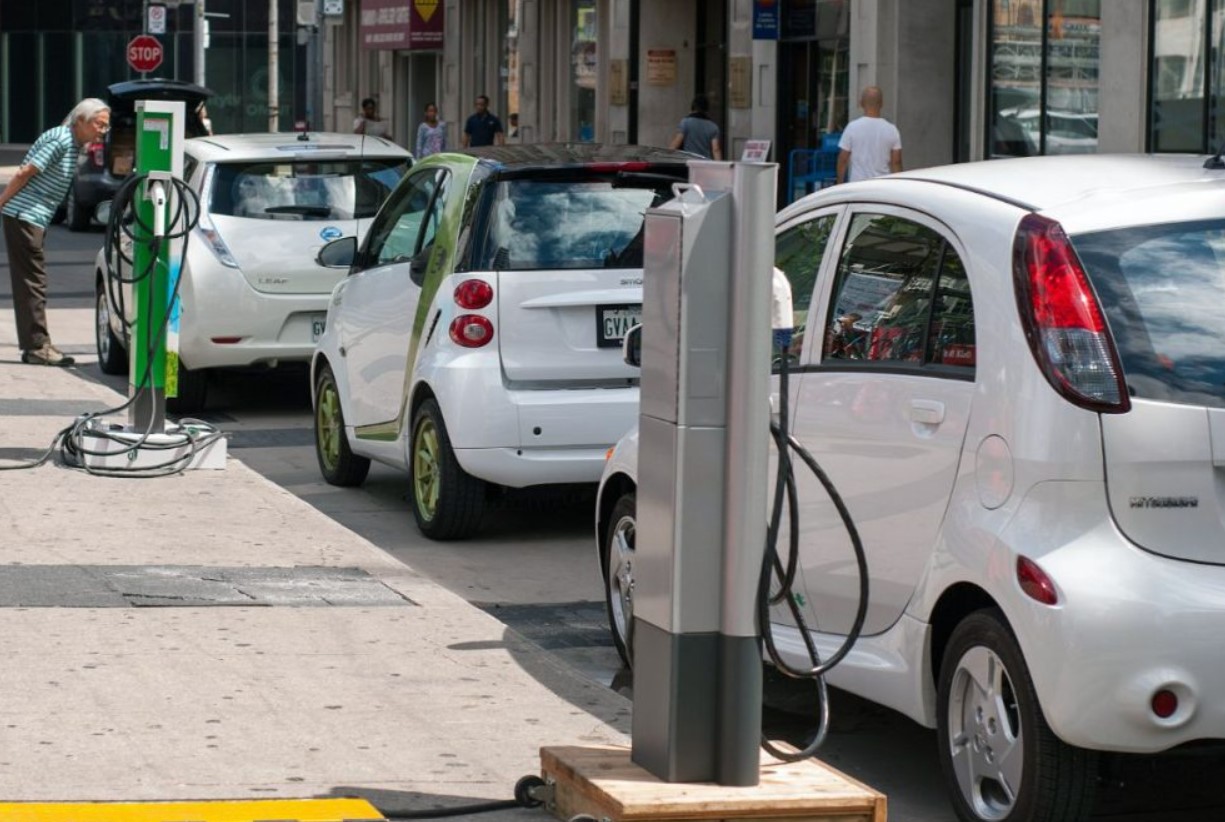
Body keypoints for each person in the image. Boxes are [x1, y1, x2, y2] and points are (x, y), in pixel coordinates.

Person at [0, 98, 111, 366]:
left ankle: (34, 346)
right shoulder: (61, 140)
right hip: (25, 216)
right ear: (81, 121)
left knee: (31, 281)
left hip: (32, 217)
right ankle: (38, 347)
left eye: (106, 127)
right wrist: (2, 201)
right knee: (33, 282)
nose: (102, 131)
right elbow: (26, 171)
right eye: (99, 125)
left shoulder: (71, 143)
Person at [836, 86, 902, 184]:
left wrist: (839, 183)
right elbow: (896, 162)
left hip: (857, 185)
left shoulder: (852, 127)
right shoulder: (892, 129)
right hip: (882, 185)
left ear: (861, 103)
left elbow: (843, 160)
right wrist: (899, 184)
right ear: (882, 104)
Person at [668, 95, 723, 160]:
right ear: (706, 110)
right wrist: (719, 165)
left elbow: (676, 143)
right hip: (706, 162)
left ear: (692, 108)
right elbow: (716, 149)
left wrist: (668, 154)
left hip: (689, 162)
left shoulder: (686, 122)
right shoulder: (713, 126)